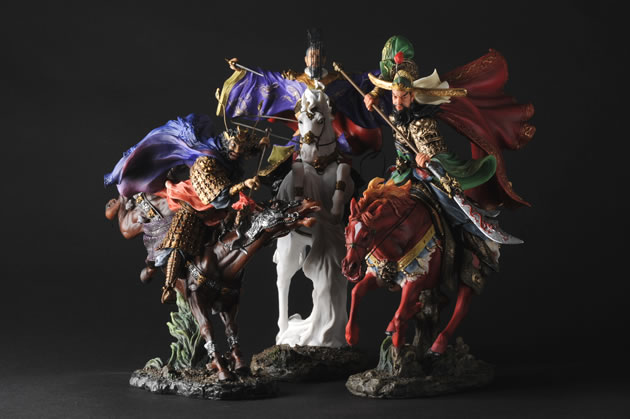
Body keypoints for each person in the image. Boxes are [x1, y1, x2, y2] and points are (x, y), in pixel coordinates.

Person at [363, 36, 536, 293]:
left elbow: (434, 153)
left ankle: (475, 241)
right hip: (406, 170)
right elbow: (401, 151)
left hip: (435, 169)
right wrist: (374, 97)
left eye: (403, 97)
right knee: (377, 199)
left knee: (447, 201)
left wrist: (426, 160)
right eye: (395, 97)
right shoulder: (395, 117)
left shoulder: (422, 121)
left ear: (413, 95)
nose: (398, 102)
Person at [104, 115, 268, 303]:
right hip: (195, 198)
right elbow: (216, 195)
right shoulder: (207, 160)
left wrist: (260, 145)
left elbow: (244, 153)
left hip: (218, 203)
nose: (237, 151)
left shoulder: (232, 158)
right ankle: (168, 285)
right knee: (182, 233)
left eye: (241, 149)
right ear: (226, 143)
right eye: (234, 146)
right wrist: (244, 185)